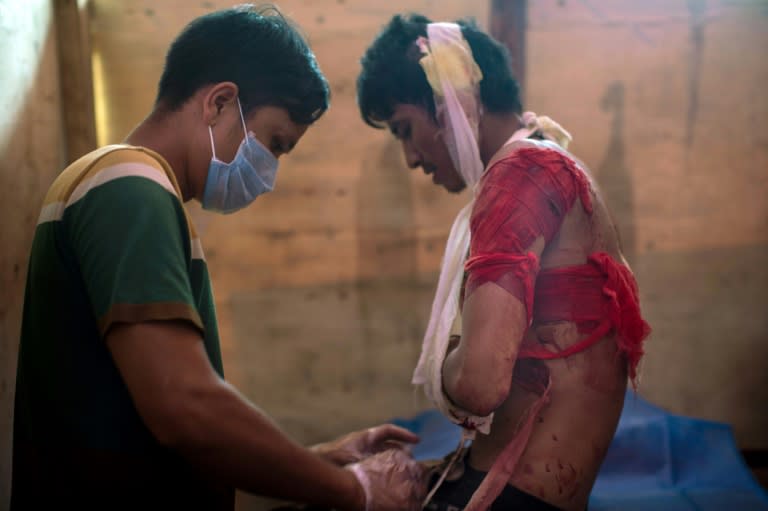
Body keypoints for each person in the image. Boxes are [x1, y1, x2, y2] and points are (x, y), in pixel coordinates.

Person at [11, 5, 426, 510]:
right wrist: (354, 491)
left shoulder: (120, 187)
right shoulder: (130, 188)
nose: (268, 173)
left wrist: (315, 461)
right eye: (274, 143)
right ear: (220, 103)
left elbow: (141, 422)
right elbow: (184, 404)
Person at [357, 14, 651, 511]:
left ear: (446, 101)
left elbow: (480, 382)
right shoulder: (548, 161)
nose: (410, 157)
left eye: (406, 129)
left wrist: (445, 358)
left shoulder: (522, 173)